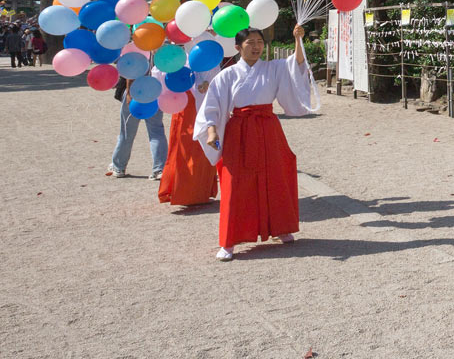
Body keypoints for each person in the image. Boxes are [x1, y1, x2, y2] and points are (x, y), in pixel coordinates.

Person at [197, 24, 320, 261]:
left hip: (267, 127)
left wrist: (297, 40)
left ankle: (280, 227)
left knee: (276, 175)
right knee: (235, 183)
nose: (256, 47)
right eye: (250, 43)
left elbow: (295, 66)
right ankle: (229, 241)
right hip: (239, 130)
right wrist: (212, 132)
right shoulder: (227, 74)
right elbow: (211, 106)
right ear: (237, 48)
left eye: (259, 43)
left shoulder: (273, 68)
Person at [158, 78, 217, 207]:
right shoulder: (181, 59)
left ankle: (195, 191)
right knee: (185, 145)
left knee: (197, 146)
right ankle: (185, 190)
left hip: (197, 101)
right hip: (185, 101)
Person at [109, 77, 168, 180]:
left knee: (127, 133)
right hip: (154, 91)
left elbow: (132, 70)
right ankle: (160, 169)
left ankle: (119, 167)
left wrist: (128, 93)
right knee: (156, 132)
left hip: (136, 91)